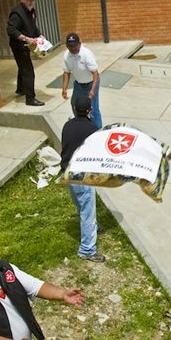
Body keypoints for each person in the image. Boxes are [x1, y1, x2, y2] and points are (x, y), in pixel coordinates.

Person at [60, 96, 105, 262]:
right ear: (89, 110)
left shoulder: (67, 125)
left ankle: (92, 227)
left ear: (74, 109)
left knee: (81, 205)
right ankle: (87, 250)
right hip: (82, 175)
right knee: (87, 210)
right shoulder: (92, 129)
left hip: (67, 172)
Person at [6, 0, 44, 106]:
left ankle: (21, 89)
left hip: (28, 44)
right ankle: (30, 98)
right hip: (19, 46)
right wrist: (25, 38)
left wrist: (39, 35)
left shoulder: (31, 11)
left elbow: (32, 26)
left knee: (23, 66)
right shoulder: (17, 13)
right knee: (28, 71)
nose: (31, 2)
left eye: (33, 0)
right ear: (23, 0)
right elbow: (10, 30)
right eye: (28, 0)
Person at [61, 33, 102, 128]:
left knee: (93, 109)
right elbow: (66, 72)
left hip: (91, 83)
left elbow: (95, 74)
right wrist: (64, 89)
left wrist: (92, 90)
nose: (73, 48)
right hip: (79, 84)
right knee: (74, 104)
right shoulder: (67, 56)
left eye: (75, 46)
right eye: (70, 46)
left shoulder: (86, 54)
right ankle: (81, 124)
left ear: (79, 44)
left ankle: (98, 130)